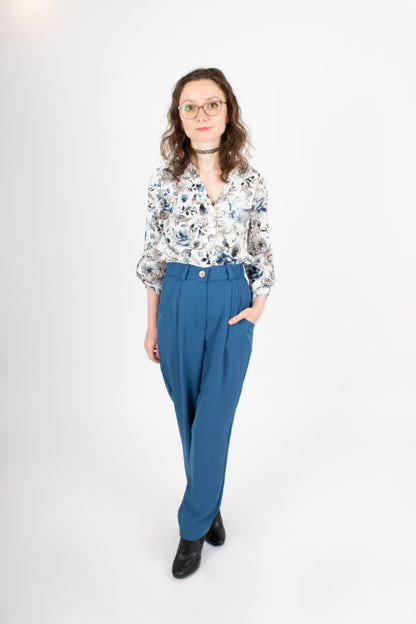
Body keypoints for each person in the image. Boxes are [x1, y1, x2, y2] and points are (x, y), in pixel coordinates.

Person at [136, 67, 276, 579]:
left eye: (211, 104)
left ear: (228, 112)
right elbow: (152, 257)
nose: (200, 114)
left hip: (231, 299)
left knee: (215, 418)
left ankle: (192, 528)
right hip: (176, 297)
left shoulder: (251, 180)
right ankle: (210, 502)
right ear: (179, 115)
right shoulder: (162, 180)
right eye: (189, 106)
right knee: (190, 417)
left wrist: (258, 305)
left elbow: (260, 247)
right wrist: (151, 324)